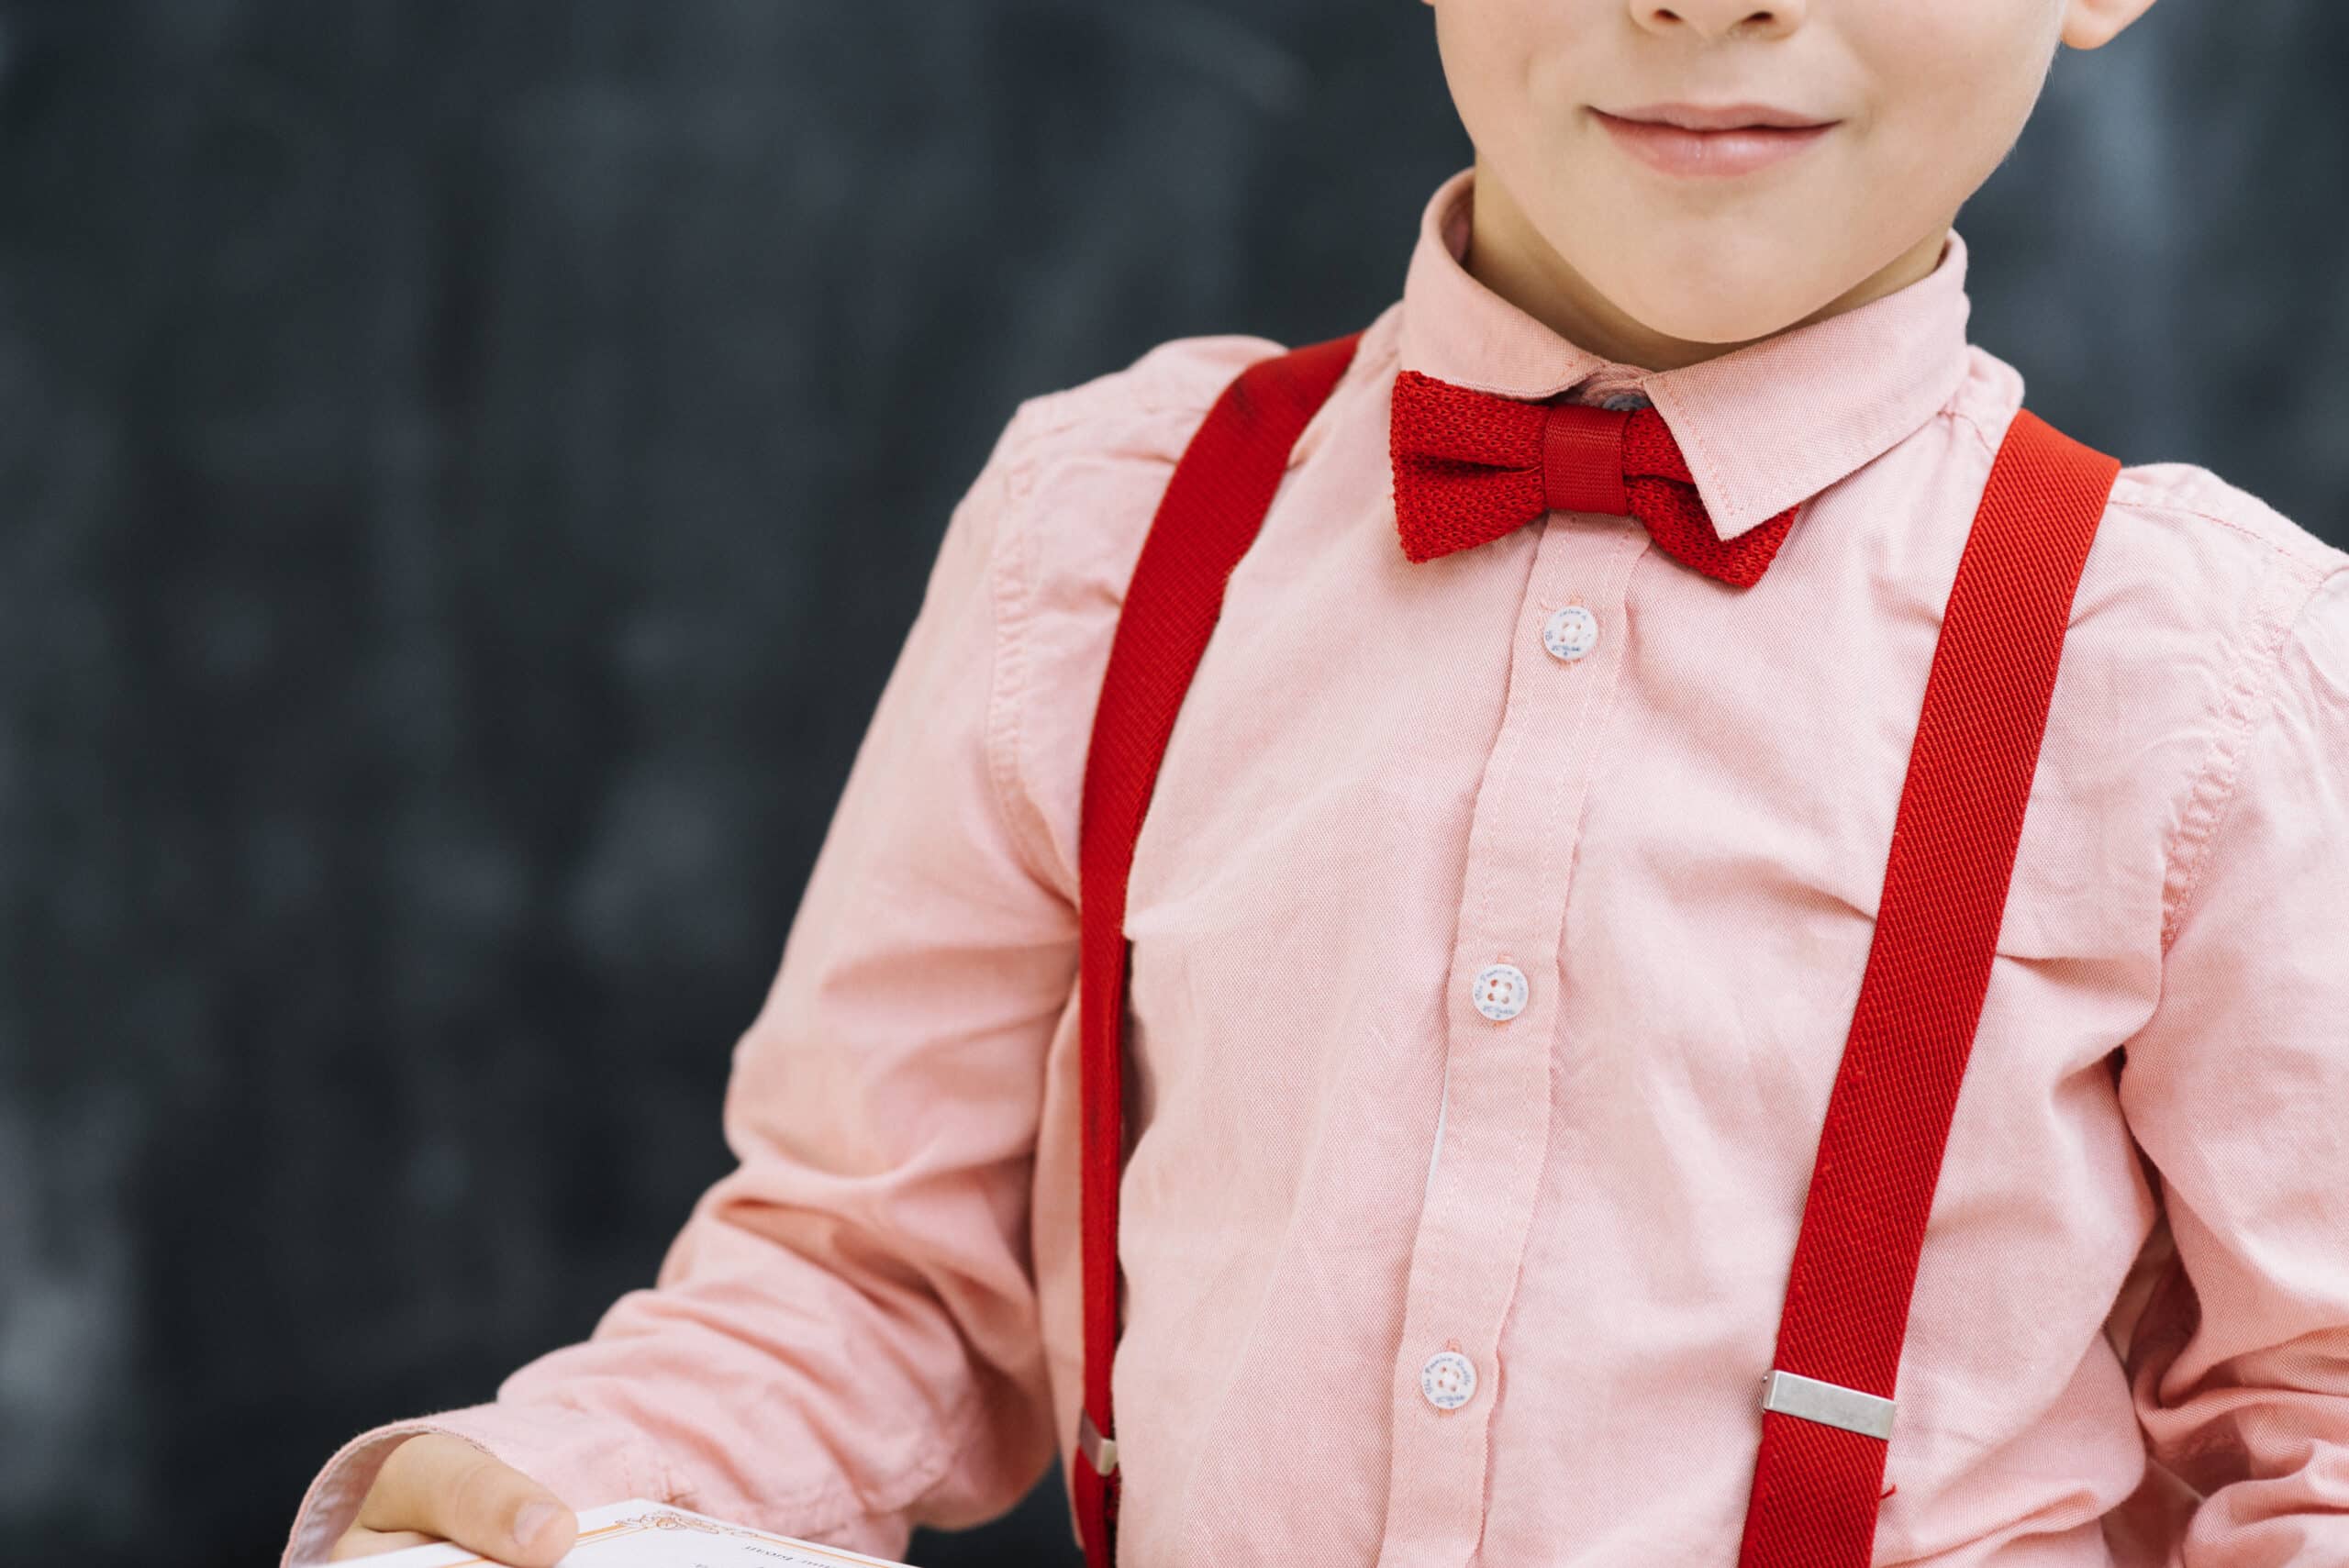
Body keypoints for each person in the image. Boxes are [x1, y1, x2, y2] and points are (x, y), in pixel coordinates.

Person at [284, 1, 2349, 1564]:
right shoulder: (1104, 535)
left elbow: (2315, 1435)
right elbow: (871, 1273)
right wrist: (562, 1487)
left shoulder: (2203, 668)